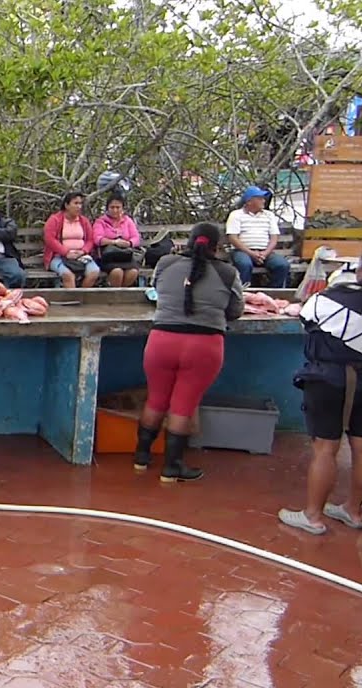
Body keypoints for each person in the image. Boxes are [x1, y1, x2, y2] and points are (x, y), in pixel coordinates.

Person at [278, 241, 362, 534]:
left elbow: (306, 315)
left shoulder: (335, 298)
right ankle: (353, 511)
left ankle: (313, 516)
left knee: (325, 448)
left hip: (333, 378)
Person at [134, 222, 245, 483]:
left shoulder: (165, 263)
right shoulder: (228, 273)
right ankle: (171, 468)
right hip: (204, 346)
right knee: (182, 406)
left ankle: (141, 458)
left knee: (156, 400)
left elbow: (158, 291)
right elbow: (235, 311)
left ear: (189, 241)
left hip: (161, 341)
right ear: (217, 247)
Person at [226, 186, 290, 288]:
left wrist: (264, 253)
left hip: (265, 252)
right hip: (243, 251)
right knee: (244, 264)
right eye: (260, 198)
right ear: (249, 201)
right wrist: (251, 253)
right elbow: (233, 238)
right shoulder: (236, 215)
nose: (263, 201)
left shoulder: (269, 215)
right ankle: (243, 294)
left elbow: (274, 237)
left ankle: (273, 294)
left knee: (282, 265)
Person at [43, 191, 100, 289]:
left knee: (94, 272)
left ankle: (81, 297)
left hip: (81, 256)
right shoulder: (55, 220)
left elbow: (90, 240)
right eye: (76, 203)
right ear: (66, 205)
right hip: (59, 257)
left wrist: (83, 251)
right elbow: (49, 239)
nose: (79, 207)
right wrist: (66, 252)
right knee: (68, 275)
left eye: (80, 203)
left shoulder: (84, 221)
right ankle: (72, 300)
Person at [93, 195, 142, 287]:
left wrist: (129, 243)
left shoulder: (127, 220)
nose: (115, 210)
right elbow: (97, 239)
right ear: (107, 208)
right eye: (112, 207)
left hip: (125, 254)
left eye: (118, 207)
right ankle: (115, 294)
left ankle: (121, 294)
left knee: (133, 272)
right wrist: (113, 242)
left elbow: (136, 237)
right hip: (108, 256)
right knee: (117, 272)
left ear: (122, 208)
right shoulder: (100, 222)